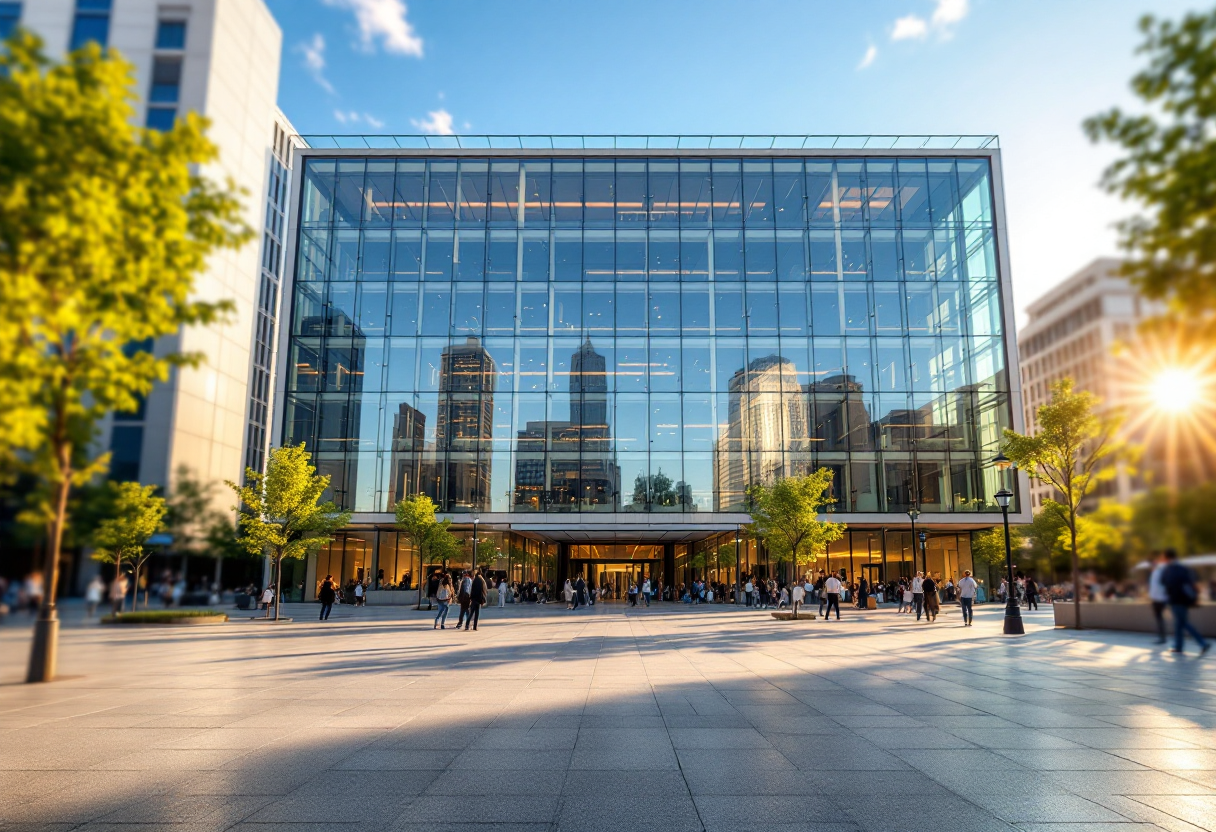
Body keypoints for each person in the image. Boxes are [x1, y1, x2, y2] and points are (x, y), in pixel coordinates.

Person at [1160, 549, 1210, 656]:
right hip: (1185, 600)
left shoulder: (1169, 569)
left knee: (1182, 623)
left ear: (1167, 558)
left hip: (1175, 600)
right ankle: (1178, 646)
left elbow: (1163, 581)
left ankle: (1202, 643)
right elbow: (1190, 582)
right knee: (1178, 623)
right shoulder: (1183, 568)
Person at [1149, 552, 1169, 644]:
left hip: (1160, 598)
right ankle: (1161, 636)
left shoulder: (1161, 568)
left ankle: (1162, 637)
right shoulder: (1155, 570)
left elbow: (1160, 585)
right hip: (1156, 598)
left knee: (1159, 617)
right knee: (1158, 617)